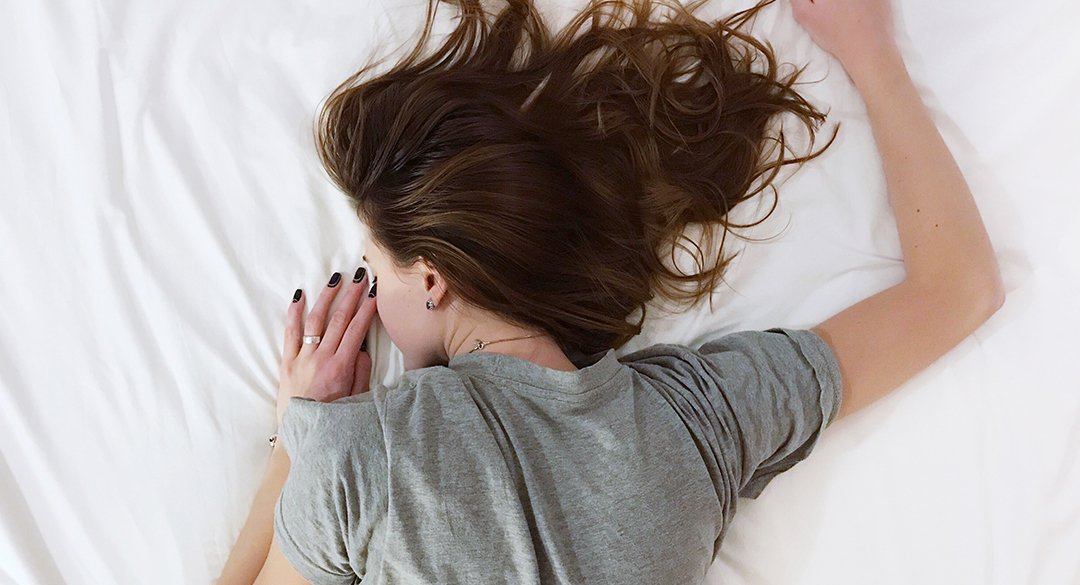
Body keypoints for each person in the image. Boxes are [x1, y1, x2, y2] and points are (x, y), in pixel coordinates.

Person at [220, 0, 1005, 582]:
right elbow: (960, 287)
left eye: (374, 261)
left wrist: (298, 437)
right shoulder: (699, 421)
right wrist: (873, 57)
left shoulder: (362, 457)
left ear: (432, 277)